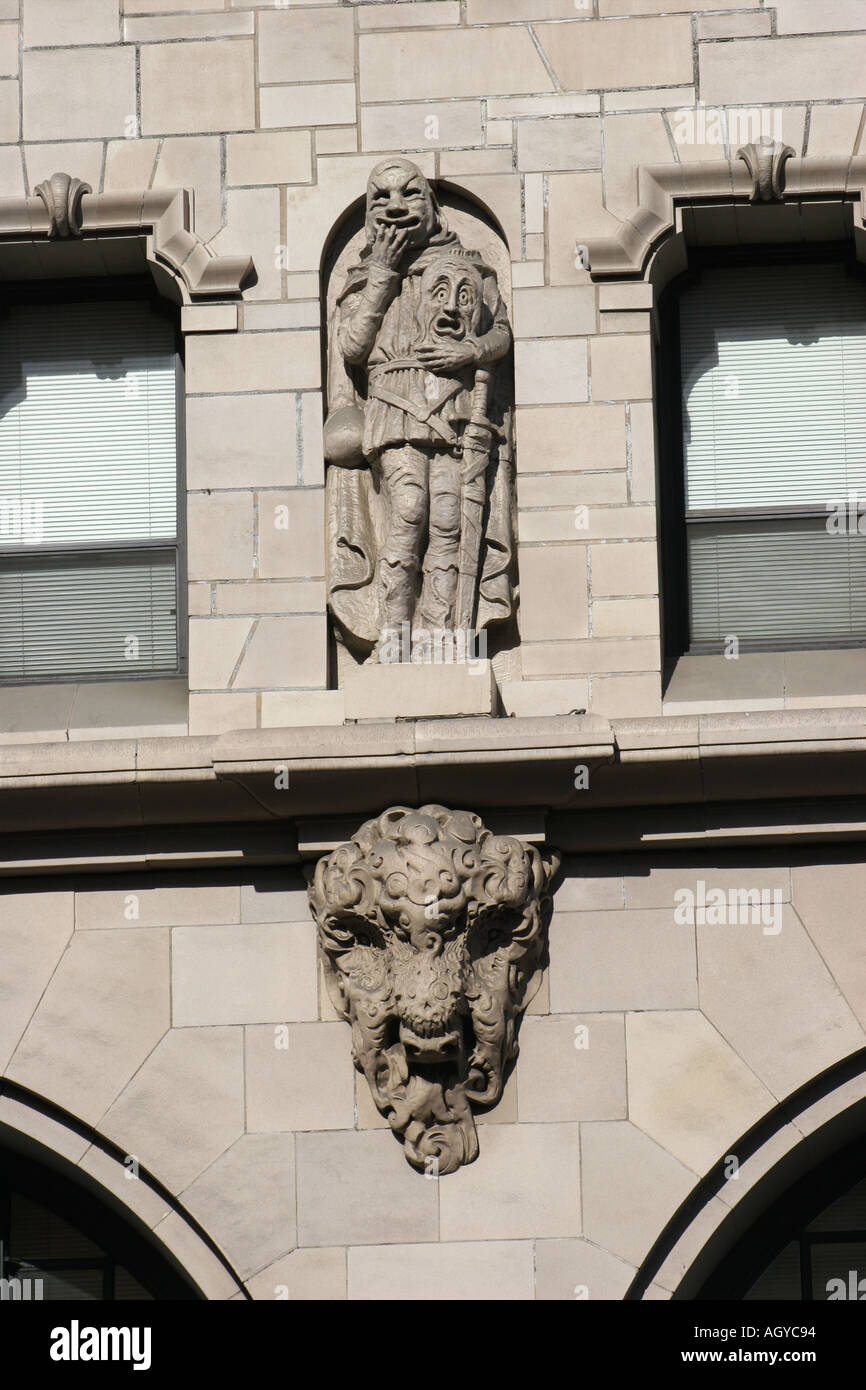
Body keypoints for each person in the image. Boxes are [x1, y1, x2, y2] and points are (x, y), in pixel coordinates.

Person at [324, 158, 515, 662]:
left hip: (453, 410)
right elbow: (352, 347)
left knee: (450, 517)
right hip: (394, 404)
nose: (394, 205)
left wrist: (471, 352)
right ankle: (395, 634)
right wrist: (384, 275)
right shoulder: (366, 275)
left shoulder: (468, 264)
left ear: (431, 208)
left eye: (409, 194)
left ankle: (442, 635)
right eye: (380, 197)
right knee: (408, 512)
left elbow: (501, 333)